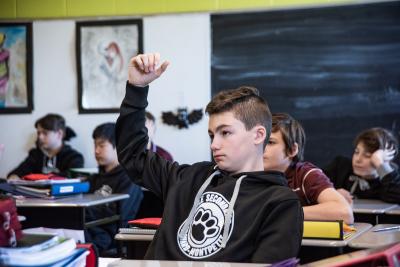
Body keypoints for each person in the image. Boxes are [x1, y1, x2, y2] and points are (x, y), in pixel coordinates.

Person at [115, 53, 303, 263]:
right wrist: (136, 89)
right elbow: (133, 156)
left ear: (258, 135)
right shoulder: (189, 178)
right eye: (212, 135)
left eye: (225, 133)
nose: (214, 145)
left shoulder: (280, 202)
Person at [263, 113, 353, 224]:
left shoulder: (306, 174)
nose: (261, 147)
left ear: (292, 150)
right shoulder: (248, 173)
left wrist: (285, 213)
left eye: (270, 142)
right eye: (260, 140)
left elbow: (344, 212)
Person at [85, 122, 143, 254]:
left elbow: (120, 214)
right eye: (95, 145)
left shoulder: (130, 178)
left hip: (112, 237)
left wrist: (88, 210)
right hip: (90, 230)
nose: (96, 151)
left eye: (101, 145)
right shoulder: (94, 178)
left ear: (118, 147)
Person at [323, 127, 400, 204]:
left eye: (368, 155)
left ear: (386, 159)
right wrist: (332, 193)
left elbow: (395, 196)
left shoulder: (391, 179)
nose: (358, 159)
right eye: (356, 152)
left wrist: (380, 164)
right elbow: (314, 185)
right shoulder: (340, 166)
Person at [7, 113, 84, 178]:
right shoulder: (35, 155)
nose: (40, 137)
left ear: (59, 134)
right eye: (39, 133)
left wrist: (41, 178)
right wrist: (14, 177)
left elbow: (74, 176)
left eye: (45, 133)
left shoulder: (74, 157)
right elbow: (17, 173)